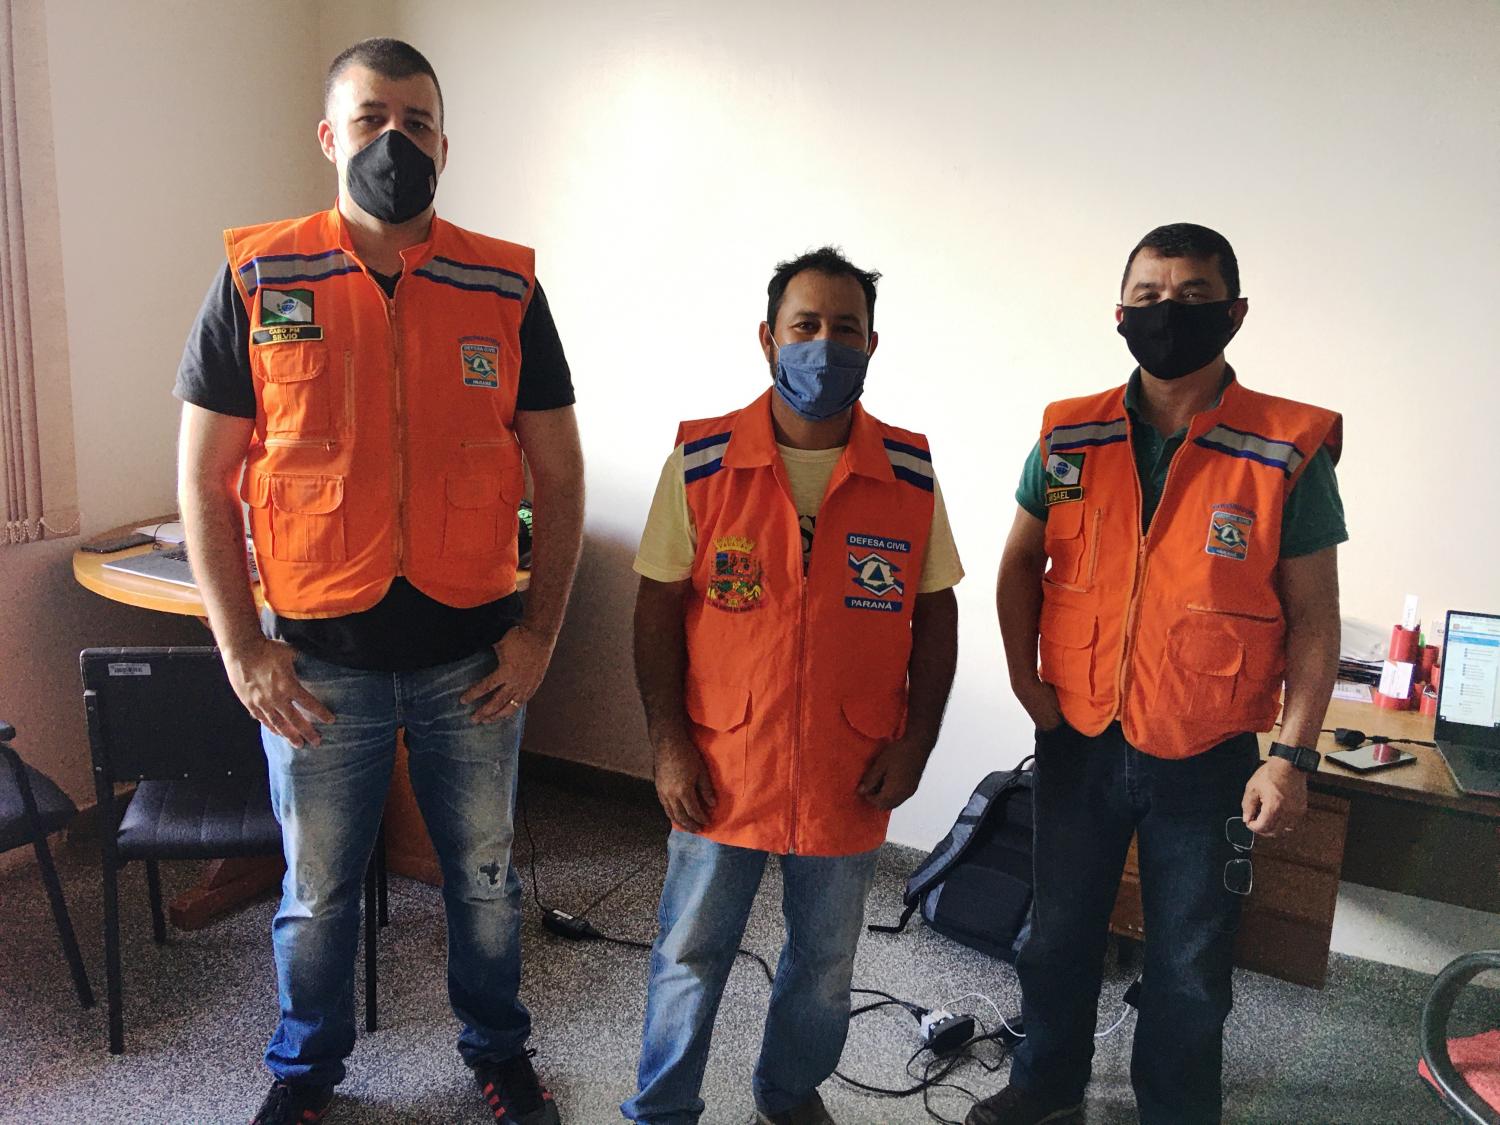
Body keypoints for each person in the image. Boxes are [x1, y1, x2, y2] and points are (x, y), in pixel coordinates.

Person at [174, 38, 583, 1125]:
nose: (394, 140)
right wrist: (242, 648)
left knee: (484, 882)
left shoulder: (503, 284)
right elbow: (204, 478)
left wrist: (540, 633)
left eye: (416, 121)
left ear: (445, 143)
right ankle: (305, 1074)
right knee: (315, 896)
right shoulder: (261, 277)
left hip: (473, 660)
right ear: (329, 136)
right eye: (370, 119)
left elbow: (560, 470)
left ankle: (499, 1053)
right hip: (318, 665)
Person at [970, 223, 1345, 1125]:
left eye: (1192, 295)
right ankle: (1046, 1085)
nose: (1167, 312)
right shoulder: (1071, 434)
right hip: (1077, 734)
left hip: (1209, 751)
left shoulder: (1284, 448)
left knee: (1189, 962)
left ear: (1235, 312)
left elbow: (1315, 620)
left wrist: (1291, 756)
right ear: (1119, 312)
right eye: (1148, 296)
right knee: (1056, 934)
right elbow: (1020, 562)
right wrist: (1024, 679)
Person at [622, 247, 963, 1125]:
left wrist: (917, 742)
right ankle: (663, 1107)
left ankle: (787, 1088)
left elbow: (938, 615)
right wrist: (667, 744)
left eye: (845, 328)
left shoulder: (909, 472)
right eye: (805, 325)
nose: (824, 344)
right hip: (721, 762)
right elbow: (656, 611)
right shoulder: (701, 460)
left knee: (824, 963)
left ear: (872, 344)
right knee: (690, 951)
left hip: (851, 768)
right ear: (768, 339)